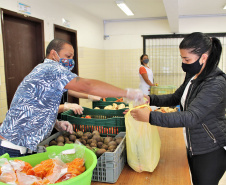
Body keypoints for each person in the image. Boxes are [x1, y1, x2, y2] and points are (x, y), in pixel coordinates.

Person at [0, 38, 144, 157]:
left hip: (22, 145)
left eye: (72, 57)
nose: (70, 61)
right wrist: (127, 93)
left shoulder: (44, 70)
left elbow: (38, 105)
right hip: (13, 147)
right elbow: (87, 85)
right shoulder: (51, 69)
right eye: (68, 56)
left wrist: (55, 123)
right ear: (53, 54)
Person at [130, 32, 226, 185]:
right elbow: (176, 98)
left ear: (203, 57)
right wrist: (150, 99)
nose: (183, 63)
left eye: (187, 59)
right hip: (193, 145)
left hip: (210, 150)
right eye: (182, 58)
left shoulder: (216, 83)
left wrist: (150, 117)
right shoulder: (193, 75)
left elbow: (191, 116)